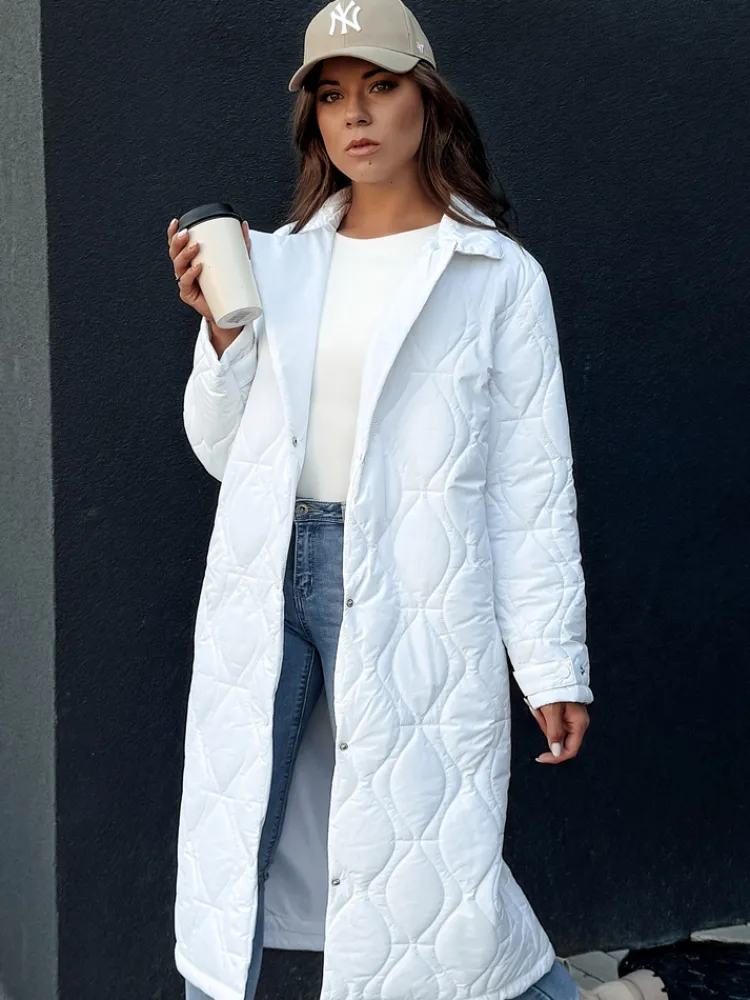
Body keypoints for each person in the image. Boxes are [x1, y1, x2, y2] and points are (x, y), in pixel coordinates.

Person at [166, 2, 666, 1000]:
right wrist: (220, 343)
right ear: (314, 120)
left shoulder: (495, 276)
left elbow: (531, 484)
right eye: (332, 95)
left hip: (411, 579)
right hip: (267, 573)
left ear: (426, 100)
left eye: (380, 86)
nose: (355, 114)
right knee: (233, 833)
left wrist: (552, 663)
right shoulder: (275, 262)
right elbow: (225, 454)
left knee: (433, 851)